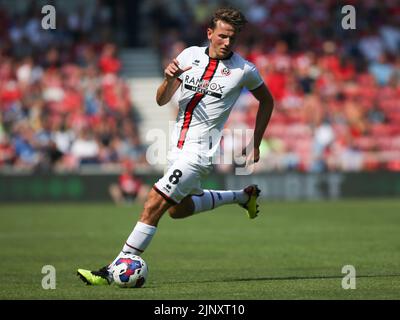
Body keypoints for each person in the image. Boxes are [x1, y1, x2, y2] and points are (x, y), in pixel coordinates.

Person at [77, 7, 274, 285]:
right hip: (177, 148)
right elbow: (160, 100)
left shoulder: (243, 70)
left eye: (232, 37)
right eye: (222, 36)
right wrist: (169, 78)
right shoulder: (188, 55)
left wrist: (256, 142)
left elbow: (267, 101)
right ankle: (242, 196)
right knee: (176, 210)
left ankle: (112, 270)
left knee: (153, 203)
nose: (227, 42)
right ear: (210, 33)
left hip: (198, 153)